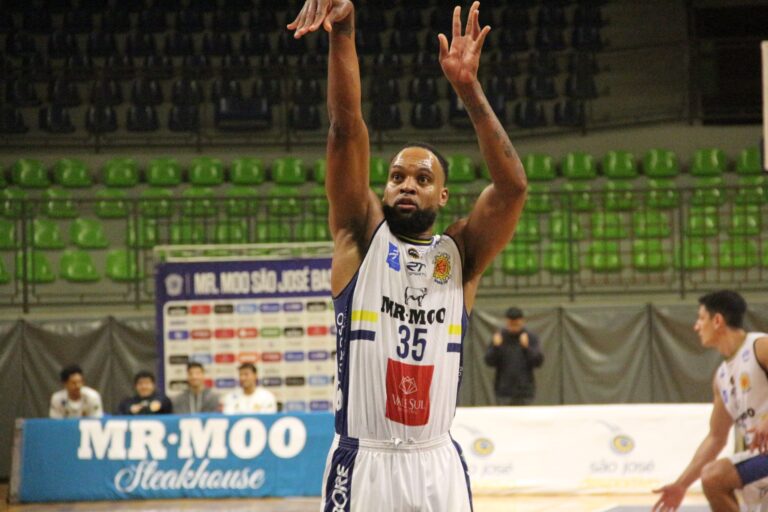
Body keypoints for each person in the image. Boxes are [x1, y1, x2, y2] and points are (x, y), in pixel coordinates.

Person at [288, 1, 527, 509]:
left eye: (422, 179)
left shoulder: (461, 253)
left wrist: (469, 90)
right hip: (365, 461)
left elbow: (512, 189)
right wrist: (344, 31)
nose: (406, 185)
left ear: (442, 196)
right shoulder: (360, 238)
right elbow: (346, 127)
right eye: (397, 176)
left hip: (435, 462)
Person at [653, 290, 768, 512]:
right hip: (761, 459)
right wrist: (681, 484)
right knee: (715, 479)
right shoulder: (721, 377)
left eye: (701, 318)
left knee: (715, 476)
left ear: (717, 321)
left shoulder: (760, 347)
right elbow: (716, 438)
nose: (696, 326)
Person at [484, 307, 544, 406]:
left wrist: (526, 348)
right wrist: (496, 347)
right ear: (507, 322)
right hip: (503, 392)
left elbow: (538, 361)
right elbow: (489, 361)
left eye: (516, 324)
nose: (514, 327)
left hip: (525, 392)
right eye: (511, 324)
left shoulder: (530, 337)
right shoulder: (500, 337)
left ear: (522, 321)